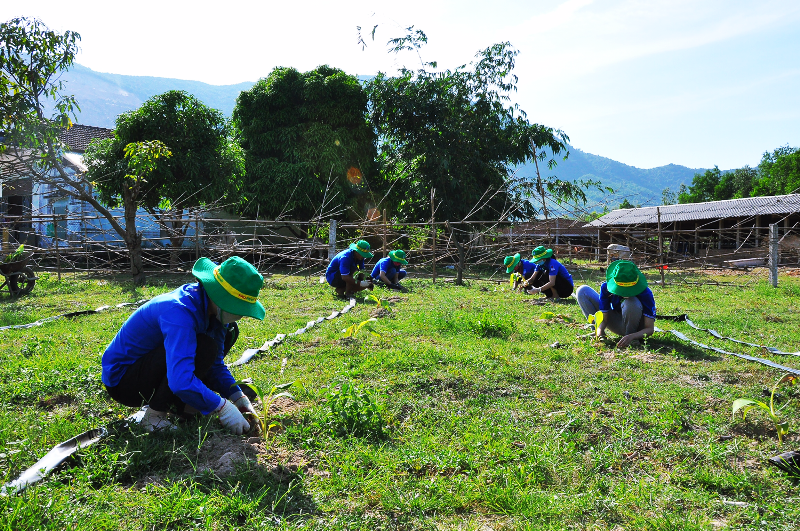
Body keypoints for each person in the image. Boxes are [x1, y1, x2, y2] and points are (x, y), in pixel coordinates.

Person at [101, 256, 265, 433]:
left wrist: (237, 397)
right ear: (219, 297)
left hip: (154, 369)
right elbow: (180, 381)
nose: (240, 315)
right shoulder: (179, 312)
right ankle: (154, 417)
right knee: (204, 347)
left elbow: (215, 365)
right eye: (237, 307)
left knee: (224, 335)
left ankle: (185, 407)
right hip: (124, 381)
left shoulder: (214, 313)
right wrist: (222, 406)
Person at [576, 259, 656, 348]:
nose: (625, 293)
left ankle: (631, 338)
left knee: (631, 302)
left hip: (636, 329)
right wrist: (600, 331)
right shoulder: (606, 288)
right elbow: (604, 318)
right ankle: (596, 333)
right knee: (582, 290)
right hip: (618, 322)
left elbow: (649, 329)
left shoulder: (645, 292)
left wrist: (632, 336)